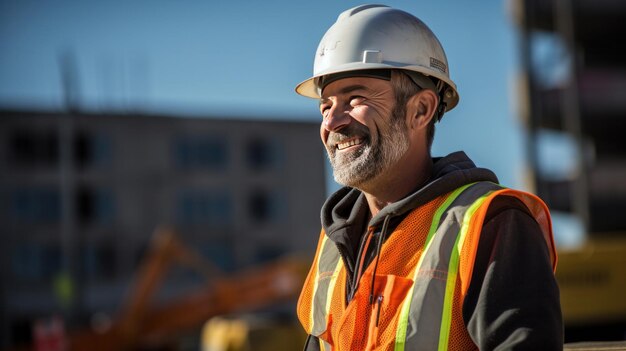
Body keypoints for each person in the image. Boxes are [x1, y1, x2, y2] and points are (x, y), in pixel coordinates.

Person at [294, 4, 562, 350]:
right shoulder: (335, 240)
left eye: (355, 98)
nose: (332, 123)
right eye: (326, 106)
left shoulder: (490, 222)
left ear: (420, 110)